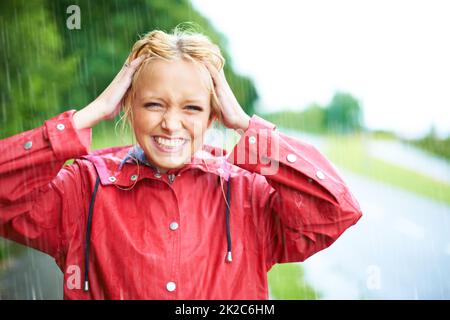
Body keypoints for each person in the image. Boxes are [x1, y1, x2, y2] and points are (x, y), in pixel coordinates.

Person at [0, 27, 363, 300]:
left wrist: (245, 125)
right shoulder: (84, 188)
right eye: (154, 104)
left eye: (191, 107)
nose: (171, 124)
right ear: (127, 107)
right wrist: (88, 115)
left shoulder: (246, 193)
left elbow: (335, 210)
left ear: (212, 116)